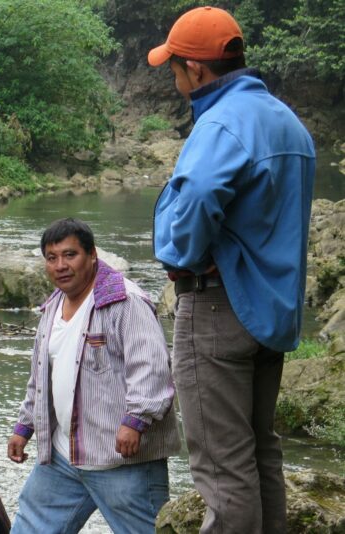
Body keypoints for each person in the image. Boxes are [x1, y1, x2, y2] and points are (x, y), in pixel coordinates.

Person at [148, 6, 316, 533]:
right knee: (261, 452)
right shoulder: (286, 121)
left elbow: (198, 192)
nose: (174, 79)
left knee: (222, 468)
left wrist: (179, 253)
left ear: (196, 69)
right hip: (270, 311)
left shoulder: (220, 121)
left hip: (218, 309)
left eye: (174, 68)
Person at [7, 218, 180, 533]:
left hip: (121, 459)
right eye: (52, 257)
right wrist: (24, 427)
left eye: (70, 255)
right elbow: (41, 377)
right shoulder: (52, 308)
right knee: (30, 528)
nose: (61, 265)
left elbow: (152, 367)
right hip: (63, 456)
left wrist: (135, 420)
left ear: (92, 255)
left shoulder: (124, 301)